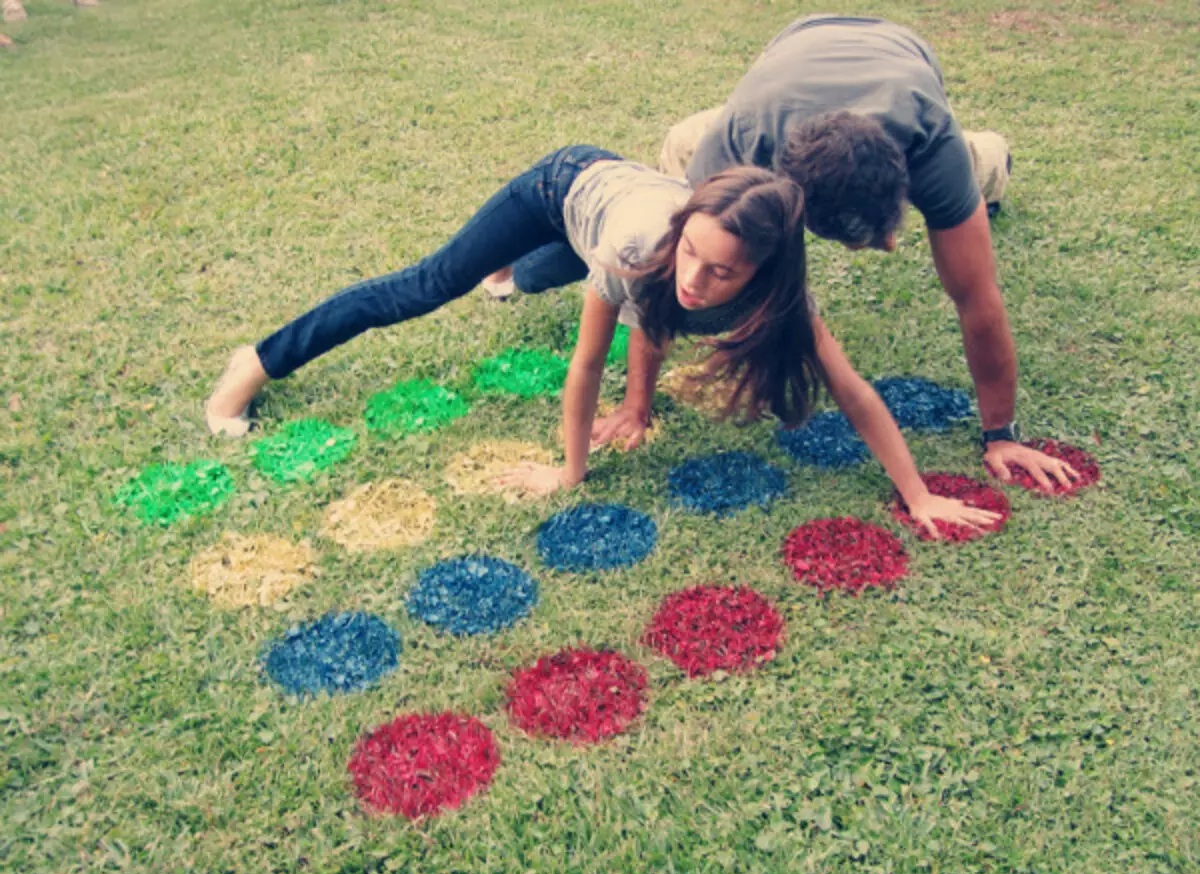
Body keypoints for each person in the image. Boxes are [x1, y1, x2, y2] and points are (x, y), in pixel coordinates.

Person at [205, 145, 1000, 535]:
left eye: (723, 274)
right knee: (432, 283)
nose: (696, 280)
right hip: (564, 187)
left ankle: (516, 273)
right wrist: (569, 470)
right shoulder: (641, 252)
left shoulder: (785, 298)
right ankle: (259, 360)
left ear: (762, 272)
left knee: (566, 277)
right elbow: (589, 363)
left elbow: (855, 393)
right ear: (684, 227)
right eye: (692, 253)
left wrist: (919, 491)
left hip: (605, 231)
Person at [491, 15, 1078, 493]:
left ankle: (993, 159)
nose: (882, 249)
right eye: (864, 240)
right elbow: (664, 280)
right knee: (684, 172)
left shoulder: (931, 143)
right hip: (795, 53)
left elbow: (977, 298)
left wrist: (1000, 432)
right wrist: (636, 404)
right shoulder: (745, 139)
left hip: (904, 61)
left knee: (977, 174)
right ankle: (535, 261)